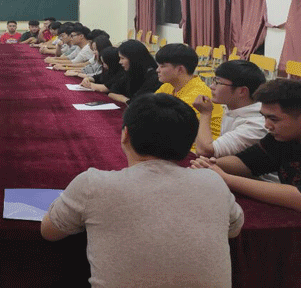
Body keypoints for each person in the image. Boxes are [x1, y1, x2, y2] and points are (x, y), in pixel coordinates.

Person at [41, 93, 243, 288]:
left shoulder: (93, 184)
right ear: (190, 140)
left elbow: (49, 231)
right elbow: (234, 229)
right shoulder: (213, 182)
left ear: (125, 134)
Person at [191, 79, 301, 288]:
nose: (267, 125)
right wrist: (210, 165)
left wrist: (226, 178)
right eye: (264, 117)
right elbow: (245, 163)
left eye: (273, 118)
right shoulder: (285, 135)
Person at [191, 60, 268, 158]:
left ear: (242, 91)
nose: (211, 86)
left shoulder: (256, 125)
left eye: (218, 82)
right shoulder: (233, 108)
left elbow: (204, 151)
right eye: (214, 81)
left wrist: (205, 114)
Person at [155, 43, 223, 141]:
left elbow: (165, 128)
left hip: (196, 147)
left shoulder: (197, 96)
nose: (157, 70)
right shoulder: (169, 86)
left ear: (180, 69)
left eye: (162, 66)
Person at [86, 39, 161, 103]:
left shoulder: (153, 77)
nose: (120, 62)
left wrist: (125, 100)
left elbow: (136, 102)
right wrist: (125, 100)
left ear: (133, 59)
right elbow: (111, 93)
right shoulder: (130, 72)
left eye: (122, 58)